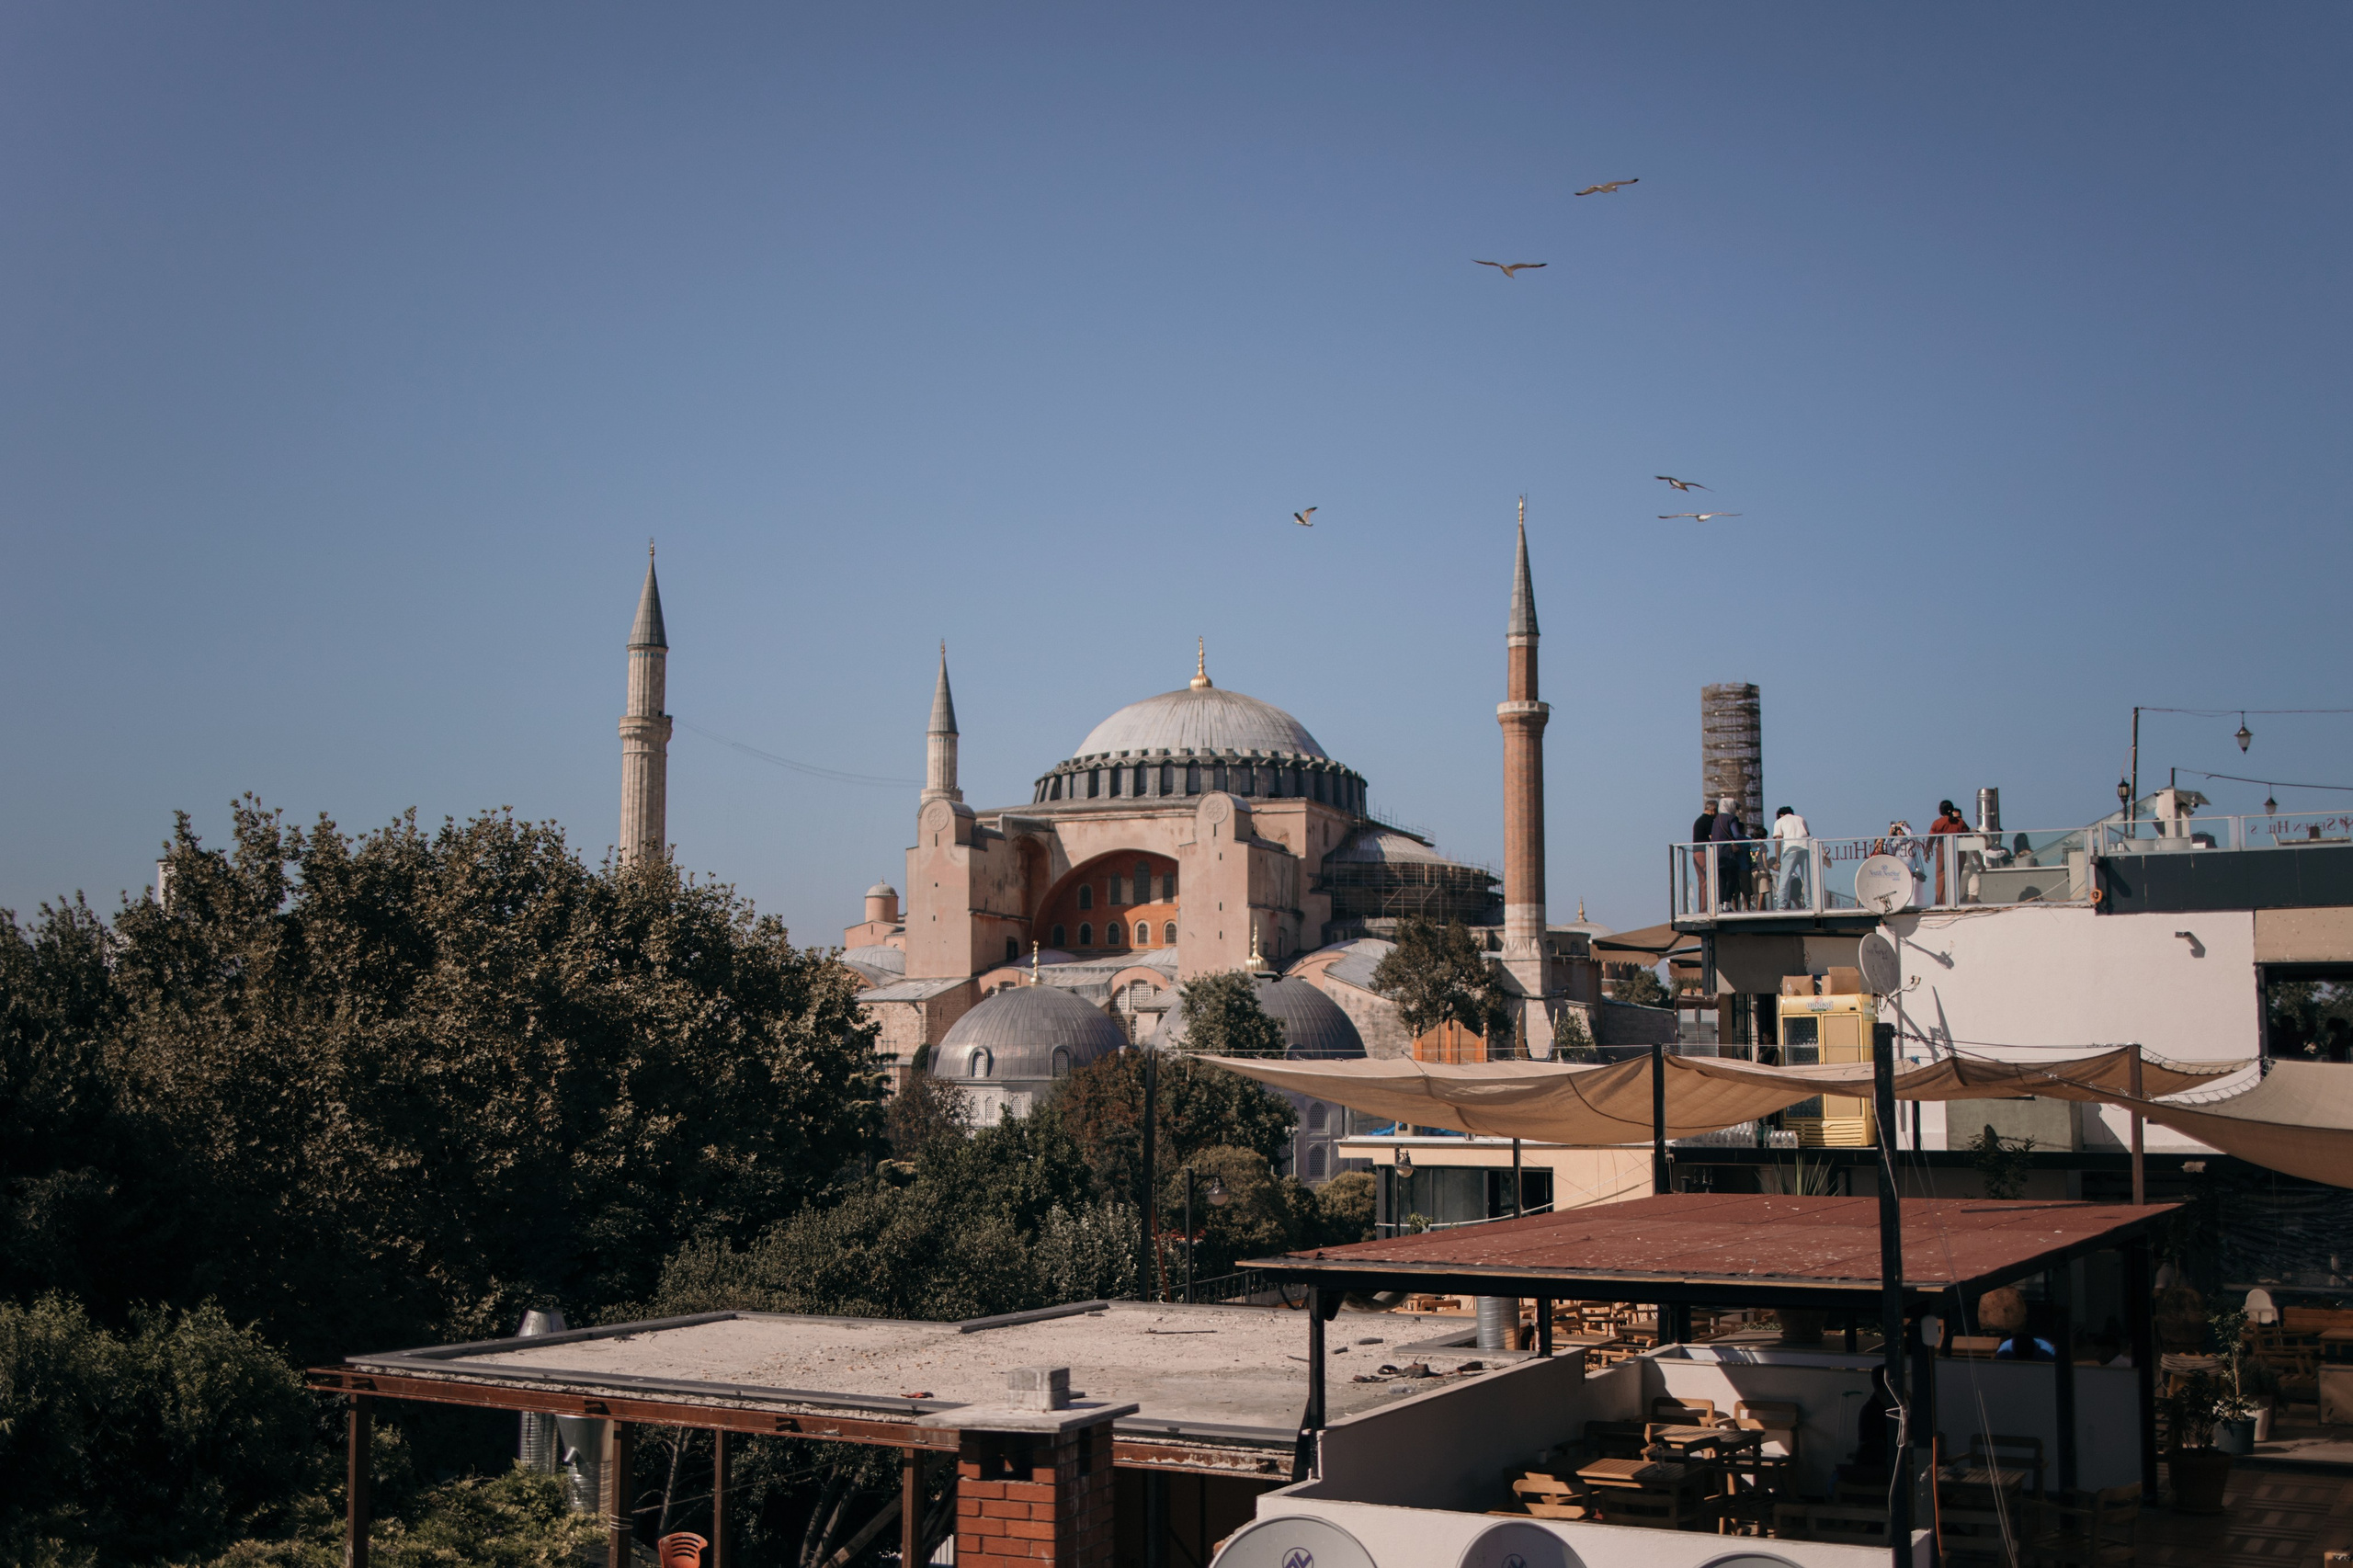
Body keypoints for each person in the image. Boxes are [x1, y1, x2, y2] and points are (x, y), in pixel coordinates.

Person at [1710, 797, 1748, 909]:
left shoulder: (1716, 820)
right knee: (1732, 878)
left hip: (1716, 853)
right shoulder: (1731, 818)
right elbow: (1736, 835)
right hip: (1728, 853)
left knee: (1721, 879)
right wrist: (1749, 840)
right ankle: (1727, 903)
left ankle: (1720, 904)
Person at [1928, 799, 1968, 903]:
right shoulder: (1960, 822)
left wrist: (1927, 851)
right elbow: (1968, 835)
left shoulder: (1938, 823)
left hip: (1943, 850)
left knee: (1941, 877)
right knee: (1955, 877)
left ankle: (1941, 901)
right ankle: (1952, 900)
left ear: (1941, 811)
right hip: (1958, 851)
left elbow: (1931, 838)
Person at [1773, 805, 1812, 910]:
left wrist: (1777, 860)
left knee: (1784, 878)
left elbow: (1778, 841)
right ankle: (1809, 904)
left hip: (1790, 849)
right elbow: (1807, 834)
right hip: (1804, 848)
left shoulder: (1780, 821)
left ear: (1781, 815)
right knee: (1806, 878)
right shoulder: (1801, 819)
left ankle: (1782, 904)